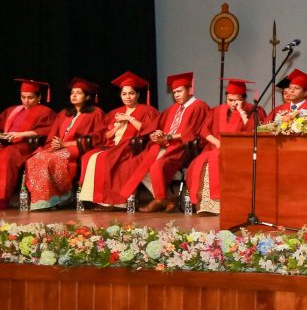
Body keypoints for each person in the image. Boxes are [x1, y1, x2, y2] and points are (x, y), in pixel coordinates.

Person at [121, 71, 210, 213]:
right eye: (174, 92)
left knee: (157, 166)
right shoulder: (173, 108)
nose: (176, 95)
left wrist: (168, 137)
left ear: (189, 90)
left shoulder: (199, 106)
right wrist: (155, 134)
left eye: (179, 91)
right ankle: (166, 199)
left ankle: (160, 199)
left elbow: (193, 132)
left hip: (181, 148)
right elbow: (156, 125)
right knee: (136, 164)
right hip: (163, 145)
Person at [77, 71, 160, 211]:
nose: (128, 97)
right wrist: (118, 127)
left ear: (138, 95)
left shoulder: (147, 110)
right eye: (124, 94)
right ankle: (94, 199)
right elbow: (107, 135)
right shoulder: (115, 112)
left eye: (131, 93)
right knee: (89, 157)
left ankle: (112, 202)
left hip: (132, 147)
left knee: (106, 158)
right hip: (113, 145)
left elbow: (148, 130)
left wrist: (129, 119)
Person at [185, 78, 266, 216]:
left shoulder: (254, 110)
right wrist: (217, 142)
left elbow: (254, 130)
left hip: (242, 151)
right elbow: (204, 130)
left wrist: (241, 112)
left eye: (237, 100)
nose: (233, 103)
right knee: (203, 162)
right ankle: (207, 204)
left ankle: (220, 204)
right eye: (230, 100)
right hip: (216, 148)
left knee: (216, 158)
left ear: (244, 98)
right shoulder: (217, 110)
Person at [23, 78, 106, 210]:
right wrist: (54, 143)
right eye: (72, 92)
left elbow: (97, 137)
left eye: (78, 93)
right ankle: (44, 200)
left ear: (87, 96)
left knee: (51, 159)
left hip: (79, 148)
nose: (74, 95)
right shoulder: (64, 113)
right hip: (59, 147)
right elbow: (53, 134)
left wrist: (65, 144)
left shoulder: (96, 113)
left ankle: (62, 197)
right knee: (35, 159)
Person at [0, 79, 56, 208]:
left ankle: (2, 199)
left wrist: (22, 134)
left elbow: (49, 130)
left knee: (7, 156)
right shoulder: (12, 110)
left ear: (39, 97)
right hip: (6, 143)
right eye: (23, 97)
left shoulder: (45, 111)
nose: (26, 101)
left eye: (30, 98)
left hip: (24, 146)